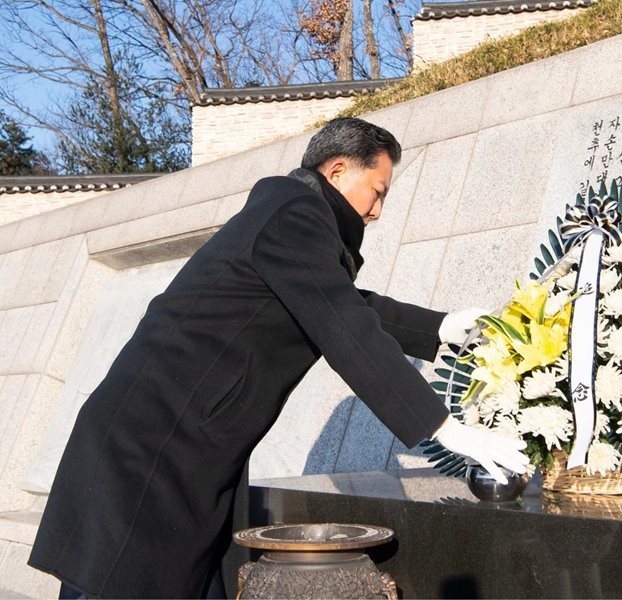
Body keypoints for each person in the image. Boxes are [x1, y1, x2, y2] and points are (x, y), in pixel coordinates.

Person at [28, 117, 529, 599]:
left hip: (184, 452)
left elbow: (341, 302)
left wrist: (438, 328)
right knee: (119, 584)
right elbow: (343, 324)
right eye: (378, 192)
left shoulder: (290, 221)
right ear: (337, 172)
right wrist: (445, 428)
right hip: (150, 452)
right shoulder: (293, 213)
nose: (377, 212)